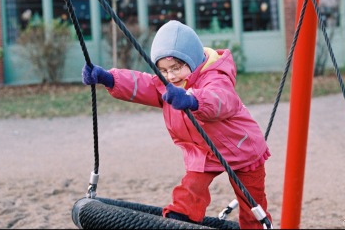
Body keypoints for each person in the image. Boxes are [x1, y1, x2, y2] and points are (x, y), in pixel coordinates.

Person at [81, 20, 272, 229]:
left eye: (176, 68)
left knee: (251, 203)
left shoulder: (215, 77)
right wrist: (108, 78)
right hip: (205, 153)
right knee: (189, 191)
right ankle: (180, 220)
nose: (170, 76)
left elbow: (221, 100)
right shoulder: (168, 85)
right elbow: (142, 84)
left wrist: (192, 99)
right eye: (163, 70)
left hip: (242, 149)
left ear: (193, 61)